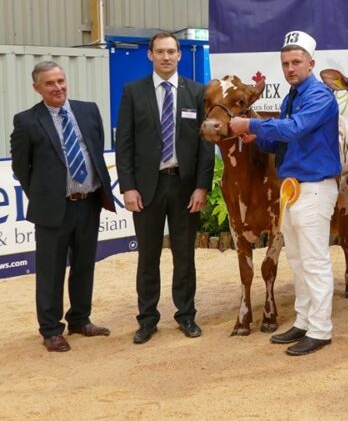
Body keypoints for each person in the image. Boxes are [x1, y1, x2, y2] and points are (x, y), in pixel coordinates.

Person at [229, 30, 341, 356]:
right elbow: (282, 140)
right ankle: (304, 321)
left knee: (315, 261)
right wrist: (257, 138)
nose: (290, 68)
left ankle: (320, 329)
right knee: (297, 259)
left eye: (296, 62)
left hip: (315, 187)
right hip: (293, 190)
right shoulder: (292, 97)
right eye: (285, 63)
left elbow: (293, 128)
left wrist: (251, 126)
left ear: (311, 63)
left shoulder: (319, 95)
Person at [115, 32, 214, 344]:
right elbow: (124, 145)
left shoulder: (197, 93)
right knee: (148, 257)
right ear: (150, 55)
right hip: (147, 189)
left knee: (185, 255)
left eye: (172, 51)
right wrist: (128, 187)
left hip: (185, 188)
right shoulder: (133, 92)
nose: (166, 57)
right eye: (160, 51)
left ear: (180, 55)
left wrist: (201, 187)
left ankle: (186, 316)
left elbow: (205, 146)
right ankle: (147, 320)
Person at [10, 61, 116, 352]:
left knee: (84, 265)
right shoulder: (27, 121)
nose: (57, 87)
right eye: (49, 83)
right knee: (51, 270)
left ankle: (80, 319)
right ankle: (51, 329)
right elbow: (22, 167)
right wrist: (44, 196)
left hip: (88, 203)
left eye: (60, 81)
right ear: (37, 88)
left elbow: (95, 149)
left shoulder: (88, 110)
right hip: (53, 210)